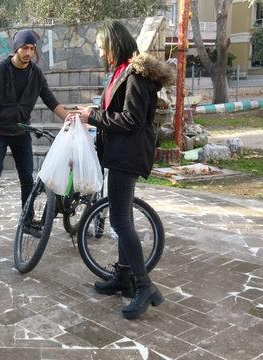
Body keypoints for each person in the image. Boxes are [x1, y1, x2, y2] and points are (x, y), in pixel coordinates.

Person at [70, 20, 174, 319]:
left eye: (103, 48)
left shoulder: (136, 76)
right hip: (119, 154)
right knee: (122, 217)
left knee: (120, 220)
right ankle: (125, 277)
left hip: (127, 157)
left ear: (115, 44)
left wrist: (94, 118)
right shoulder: (122, 72)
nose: (102, 54)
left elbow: (131, 121)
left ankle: (145, 286)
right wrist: (91, 113)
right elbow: (117, 112)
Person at [0, 29, 68, 235]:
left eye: (32, 48)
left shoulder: (36, 73)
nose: (28, 52)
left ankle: (26, 219)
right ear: (16, 48)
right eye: (24, 48)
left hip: (21, 131)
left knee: (27, 177)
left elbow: (50, 100)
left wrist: (69, 118)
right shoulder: (0, 70)